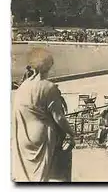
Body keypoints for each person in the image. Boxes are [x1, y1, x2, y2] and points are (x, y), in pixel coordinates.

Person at [12, 48, 76, 182]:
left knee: (27, 176)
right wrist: (71, 133)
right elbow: (58, 117)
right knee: (41, 177)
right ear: (48, 66)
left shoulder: (23, 86)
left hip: (23, 135)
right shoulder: (49, 87)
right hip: (41, 136)